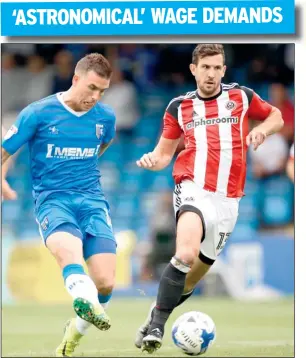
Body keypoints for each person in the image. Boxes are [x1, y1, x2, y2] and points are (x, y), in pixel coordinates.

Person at [135, 44, 284, 353]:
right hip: (193, 187)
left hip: (229, 200)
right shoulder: (179, 107)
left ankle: (155, 312)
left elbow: (276, 116)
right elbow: (164, 155)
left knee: (190, 280)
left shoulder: (240, 97)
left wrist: (262, 131)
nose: (212, 74)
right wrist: (152, 159)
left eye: (217, 68)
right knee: (185, 254)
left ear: (224, 70)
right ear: (194, 69)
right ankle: (158, 328)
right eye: (206, 67)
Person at [1, 53, 117, 357]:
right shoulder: (37, 114)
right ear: (75, 78)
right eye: (92, 88)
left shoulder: (105, 118)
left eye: (102, 91)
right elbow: (3, 152)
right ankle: (83, 297)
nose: (96, 97)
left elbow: (100, 147)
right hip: (53, 201)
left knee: (105, 283)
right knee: (69, 253)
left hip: (93, 201)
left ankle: (75, 330)